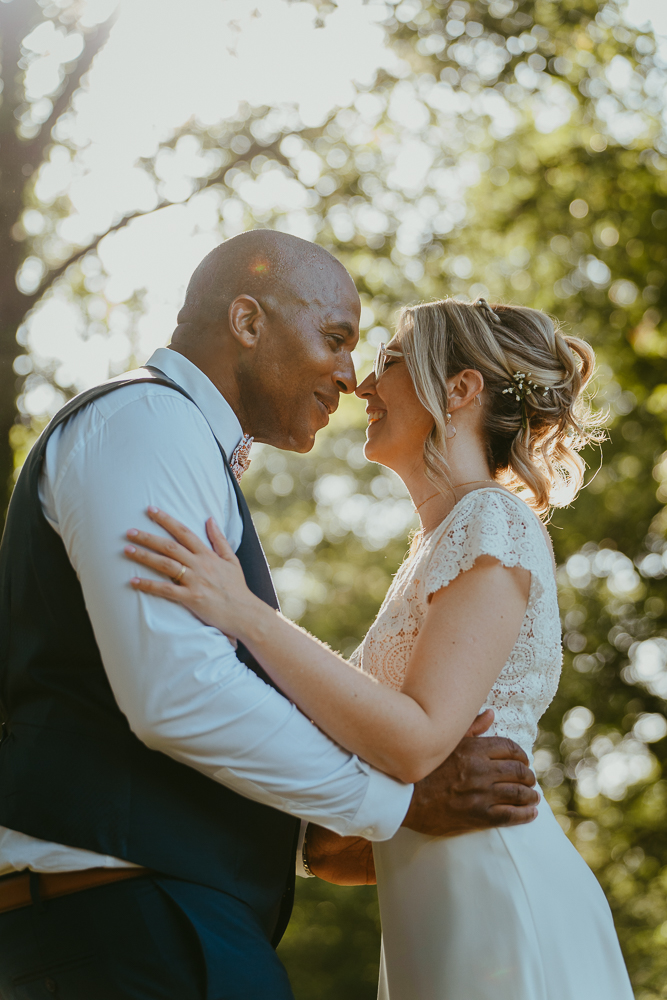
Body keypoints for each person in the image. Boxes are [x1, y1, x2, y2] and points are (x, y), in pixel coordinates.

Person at [0, 232, 539, 1000]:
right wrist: (396, 806)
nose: (351, 377)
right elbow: (180, 695)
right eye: (336, 338)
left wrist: (319, 841)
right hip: (134, 914)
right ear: (247, 322)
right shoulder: (147, 423)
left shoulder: (178, 440)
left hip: (156, 910)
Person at [125, 295, 634, 999]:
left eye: (389, 361)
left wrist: (242, 612)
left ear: (459, 390)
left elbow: (418, 740)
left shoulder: (491, 520)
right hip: (428, 899)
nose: (361, 385)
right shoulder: (438, 544)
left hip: (493, 892)